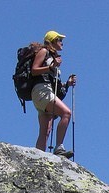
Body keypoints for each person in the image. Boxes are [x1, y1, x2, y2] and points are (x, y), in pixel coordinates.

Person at [31, 30, 77, 158]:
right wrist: (51, 67)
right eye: (59, 40)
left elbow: (53, 83)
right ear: (52, 41)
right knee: (66, 113)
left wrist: (66, 84)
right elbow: (34, 70)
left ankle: (38, 157)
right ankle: (59, 147)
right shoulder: (44, 52)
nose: (62, 43)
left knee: (45, 130)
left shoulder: (52, 56)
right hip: (42, 91)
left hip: (42, 93)